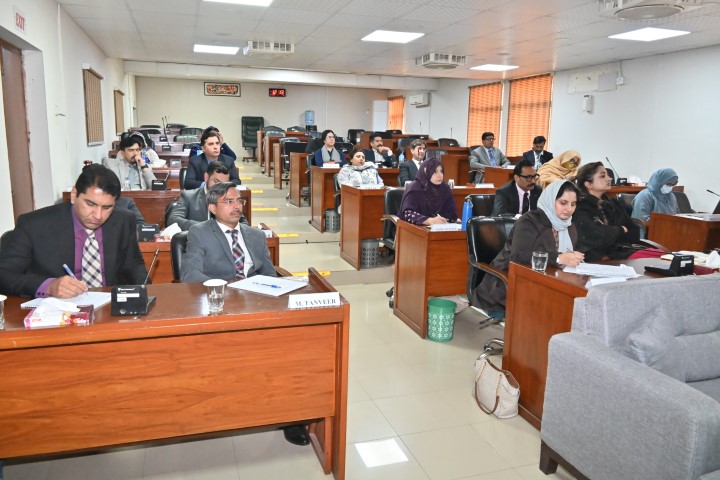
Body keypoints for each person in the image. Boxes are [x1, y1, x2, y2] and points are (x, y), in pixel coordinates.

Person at [178, 182, 310, 447]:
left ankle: (291, 415)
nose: (237, 206)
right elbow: (190, 275)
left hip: (258, 305)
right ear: (212, 207)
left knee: (291, 351)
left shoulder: (255, 236)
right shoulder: (199, 232)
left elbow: (269, 274)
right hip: (220, 307)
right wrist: (231, 291)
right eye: (229, 201)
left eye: (239, 201)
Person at [0, 164, 148, 298]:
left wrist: (148, 295)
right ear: (73, 195)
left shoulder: (124, 220)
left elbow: (133, 265)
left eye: (107, 207)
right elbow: (4, 274)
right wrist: (48, 286)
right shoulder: (34, 224)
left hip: (110, 306)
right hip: (57, 311)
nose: (98, 216)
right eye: (90, 204)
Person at [472, 180, 584, 316]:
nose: (569, 209)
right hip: (509, 283)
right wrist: (559, 258)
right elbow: (519, 256)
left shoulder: (569, 226)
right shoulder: (529, 221)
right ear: (550, 200)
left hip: (547, 281)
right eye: (563, 202)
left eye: (573, 204)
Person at [573, 162, 640, 261]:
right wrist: (621, 230)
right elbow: (595, 237)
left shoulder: (613, 204)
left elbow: (635, 232)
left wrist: (611, 234)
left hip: (621, 253)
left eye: (608, 175)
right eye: (602, 176)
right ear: (588, 184)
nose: (609, 178)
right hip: (597, 259)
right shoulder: (580, 206)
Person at [167, 161, 248, 231]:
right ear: (206, 177)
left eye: (224, 183)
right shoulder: (189, 196)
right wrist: (206, 228)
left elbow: (244, 223)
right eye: (216, 181)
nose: (220, 187)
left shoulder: (231, 199)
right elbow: (173, 220)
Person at [398, 157, 458, 225]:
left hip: (440, 228)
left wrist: (449, 219)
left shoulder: (445, 189)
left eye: (441, 171)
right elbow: (408, 213)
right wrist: (428, 220)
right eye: (435, 172)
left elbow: (451, 213)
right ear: (426, 172)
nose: (440, 175)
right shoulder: (414, 188)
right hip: (414, 228)